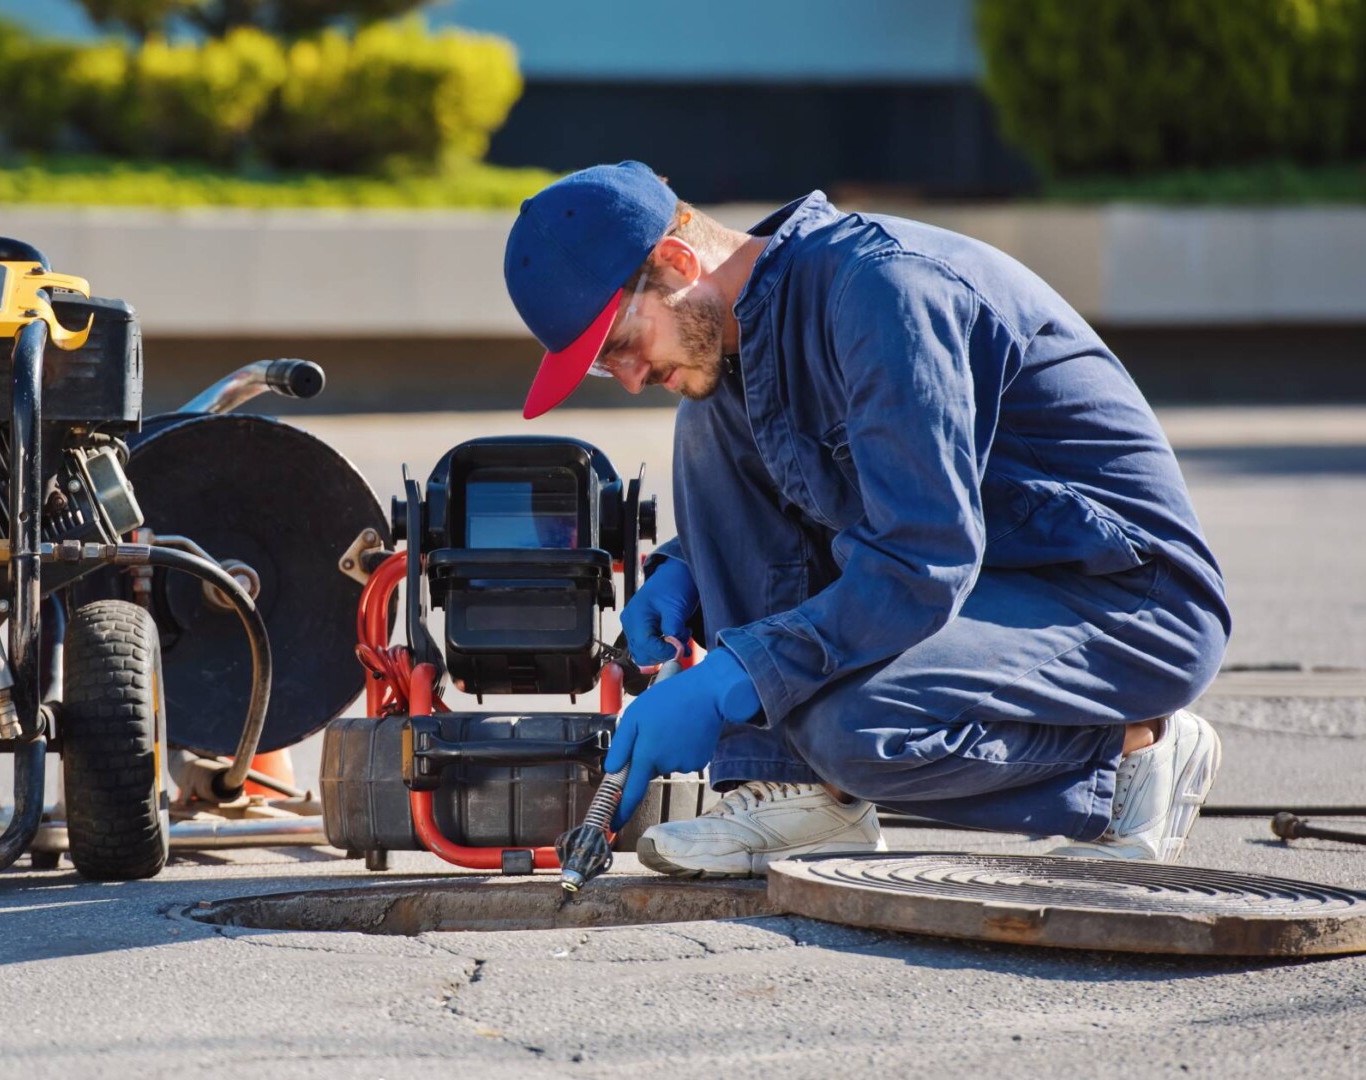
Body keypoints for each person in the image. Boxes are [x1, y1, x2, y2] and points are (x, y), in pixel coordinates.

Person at [501, 162, 1231, 876]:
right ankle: (800, 793)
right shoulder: (745, 331)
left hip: (1125, 599)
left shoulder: (883, 292)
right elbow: (827, 492)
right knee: (706, 411)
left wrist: (740, 673)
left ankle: (1138, 751)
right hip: (989, 577)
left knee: (857, 730)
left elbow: (923, 559)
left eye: (620, 346)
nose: (627, 379)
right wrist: (689, 569)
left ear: (676, 259)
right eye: (603, 366)